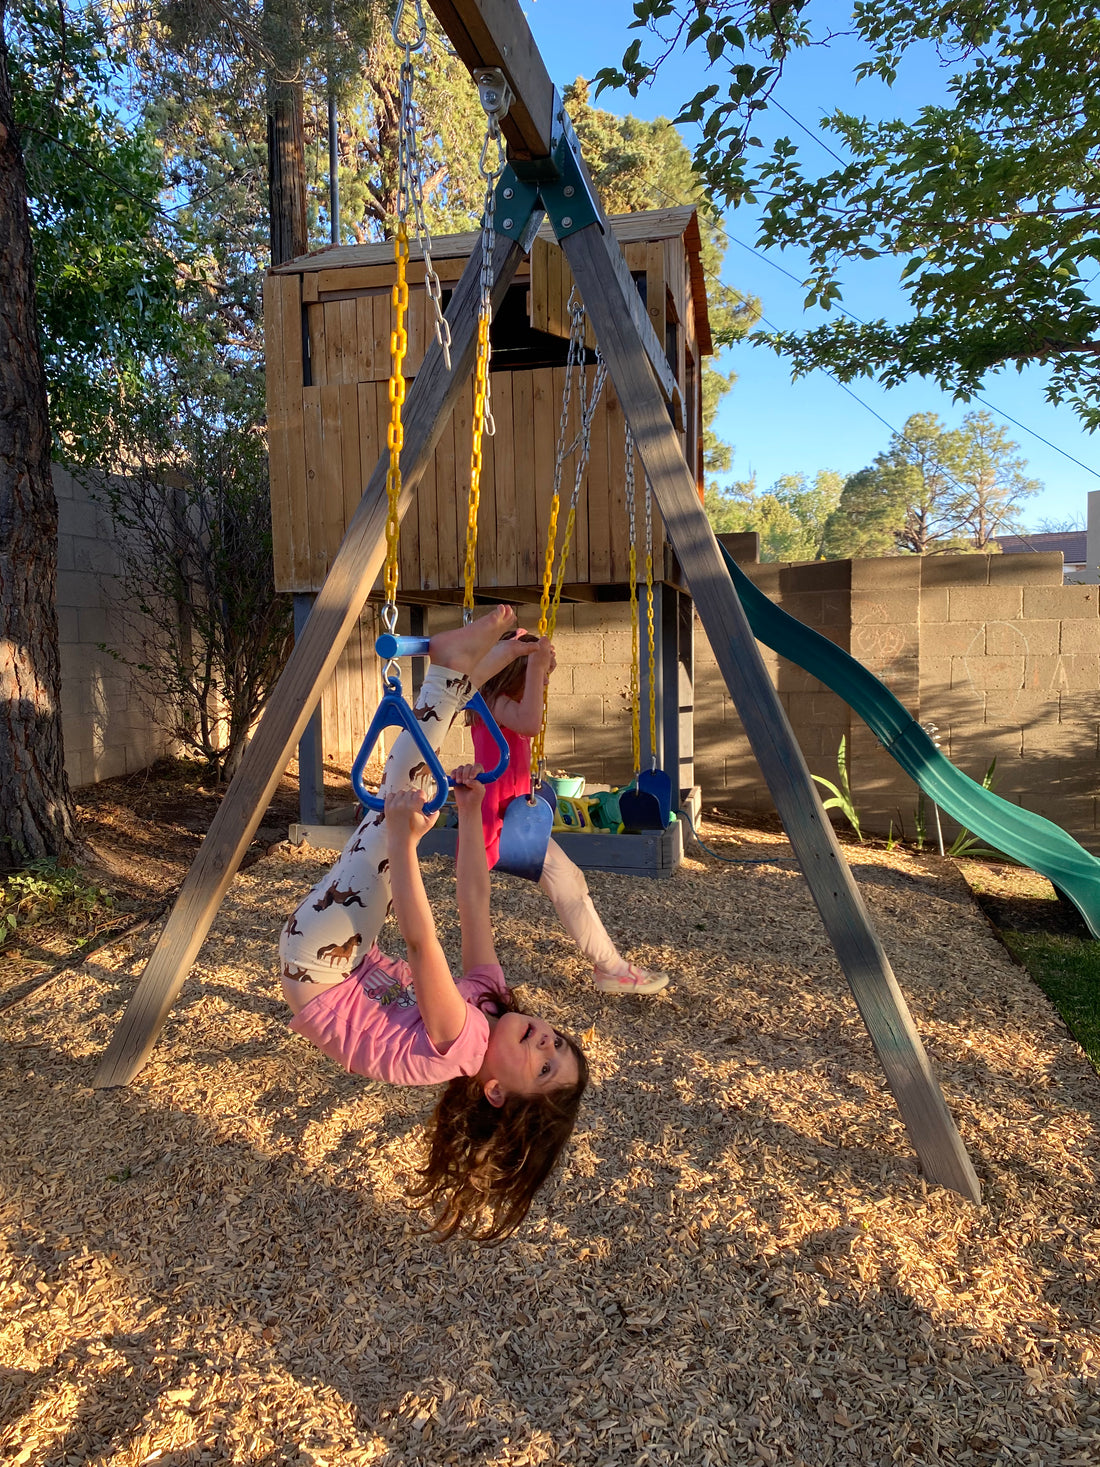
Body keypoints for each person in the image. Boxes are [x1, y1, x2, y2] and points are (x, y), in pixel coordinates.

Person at [279, 607, 589, 1241]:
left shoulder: (460, 1047)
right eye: (560, 1045)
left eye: (545, 1067)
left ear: (498, 1092)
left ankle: (450, 667)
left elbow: (423, 944)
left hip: (321, 968)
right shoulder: (491, 1005)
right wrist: (472, 817)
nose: (547, 1044)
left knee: (398, 810)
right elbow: (475, 899)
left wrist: (406, 841)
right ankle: (461, 670)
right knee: (403, 804)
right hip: (341, 958)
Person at [469, 631, 670, 995]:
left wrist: (539, 664)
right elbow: (529, 723)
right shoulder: (493, 700)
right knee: (477, 897)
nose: (544, 681)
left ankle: (611, 968)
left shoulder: (499, 699)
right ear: (515, 670)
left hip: (516, 818)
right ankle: (480, 981)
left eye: (547, 674)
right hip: (495, 822)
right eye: (538, 673)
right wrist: (535, 664)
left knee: (571, 882)